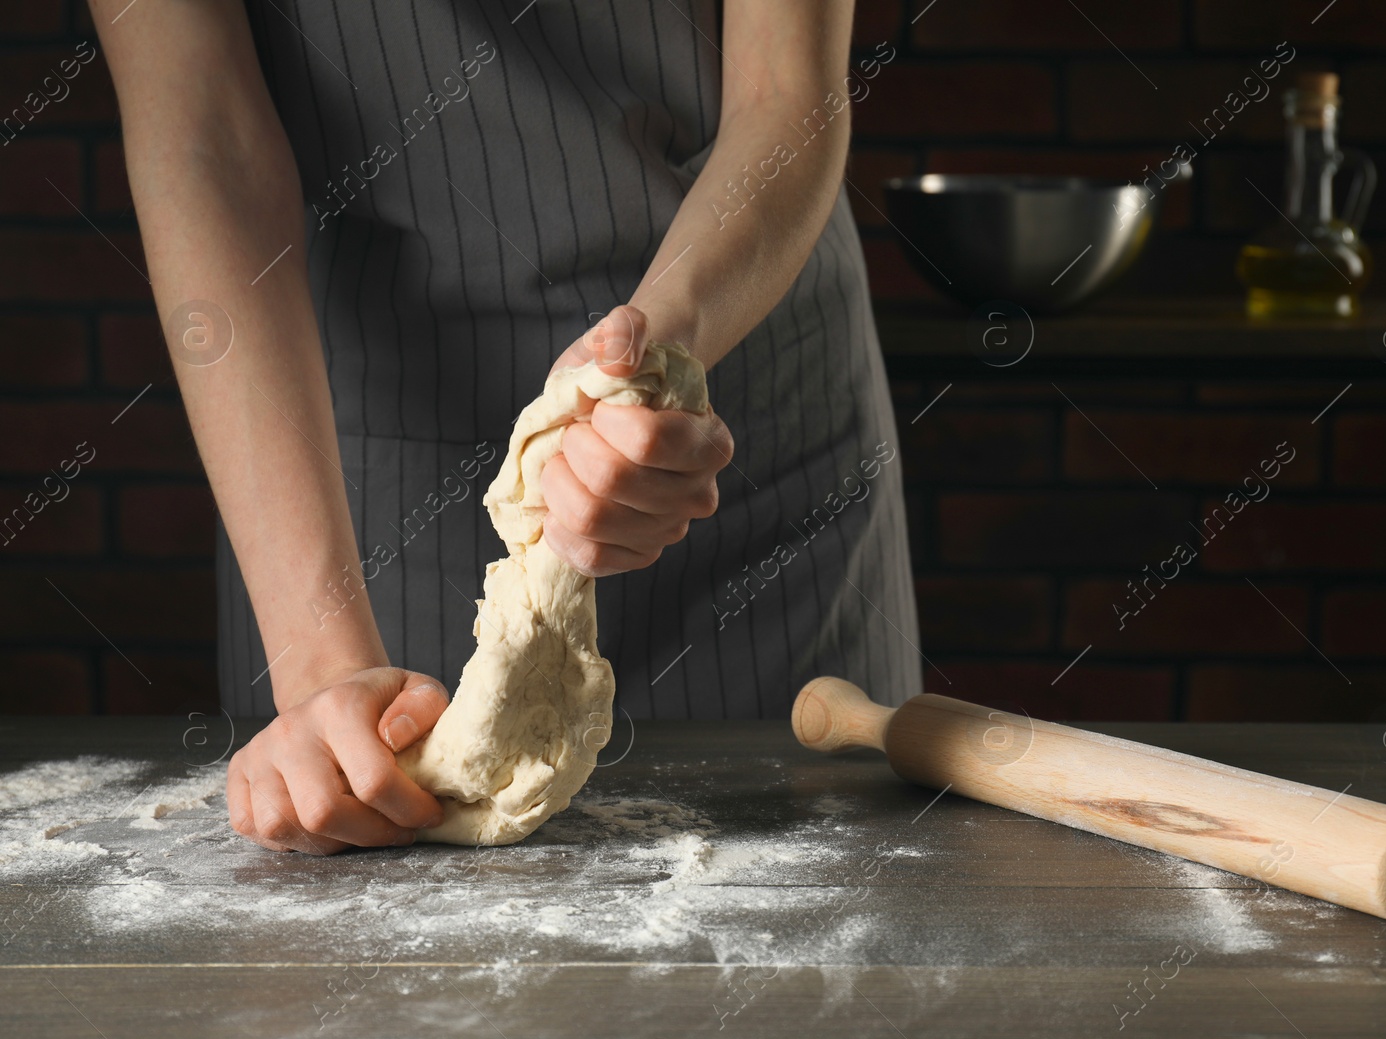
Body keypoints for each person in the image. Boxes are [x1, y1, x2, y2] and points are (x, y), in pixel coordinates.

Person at [90, 0, 919, 854]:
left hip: (743, 399)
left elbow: (786, 95)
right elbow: (203, 133)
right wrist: (321, 662)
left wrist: (649, 361)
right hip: (356, 474)